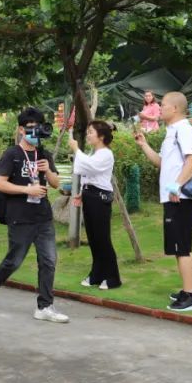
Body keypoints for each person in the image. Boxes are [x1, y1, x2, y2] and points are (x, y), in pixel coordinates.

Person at [0, 107, 69, 323]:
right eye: (30, 128)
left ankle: (45, 306)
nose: (34, 132)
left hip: (43, 216)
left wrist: (47, 170)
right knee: (15, 260)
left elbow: (57, 184)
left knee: (48, 260)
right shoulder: (12, 154)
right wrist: (26, 190)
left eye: (37, 128)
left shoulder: (44, 154)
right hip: (19, 216)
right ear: (21, 129)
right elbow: (0, 184)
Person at [133, 92, 192, 312]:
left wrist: (177, 184)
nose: (159, 109)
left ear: (175, 108)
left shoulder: (184, 129)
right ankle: (186, 290)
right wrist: (144, 145)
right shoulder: (171, 132)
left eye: (162, 105)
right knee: (179, 247)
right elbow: (162, 163)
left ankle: (191, 296)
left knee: (183, 247)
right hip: (172, 197)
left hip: (180, 198)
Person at [69, 121, 121, 290]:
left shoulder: (106, 154)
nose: (88, 135)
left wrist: (76, 150)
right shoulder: (94, 153)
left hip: (100, 198)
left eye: (91, 132)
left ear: (101, 136)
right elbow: (88, 173)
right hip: (90, 195)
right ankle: (97, 274)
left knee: (102, 238)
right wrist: (82, 192)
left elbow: (91, 167)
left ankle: (113, 277)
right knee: (93, 238)